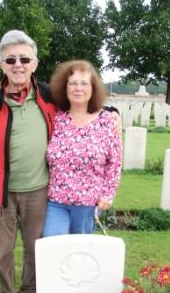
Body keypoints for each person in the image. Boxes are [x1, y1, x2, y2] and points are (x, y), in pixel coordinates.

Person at [0, 30, 121, 293]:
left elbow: (81, 101)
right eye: (11, 60)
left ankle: (31, 289)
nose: (18, 65)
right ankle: (7, 290)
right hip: (0, 193)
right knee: (3, 252)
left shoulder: (48, 96)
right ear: (2, 65)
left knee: (36, 249)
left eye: (25, 59)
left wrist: (111, 111)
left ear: (35, 64)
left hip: (39, 191)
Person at [42, 60, 122, 237]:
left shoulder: (107, 121)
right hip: (56, 201)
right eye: (73, 83)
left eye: (84, 83)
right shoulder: (55, 119)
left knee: (80, 254)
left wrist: (108, 194)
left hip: (89, 203)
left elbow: (114, 163)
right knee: (52, 246)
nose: (78, 88)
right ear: (65, 87)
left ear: (93, 88)